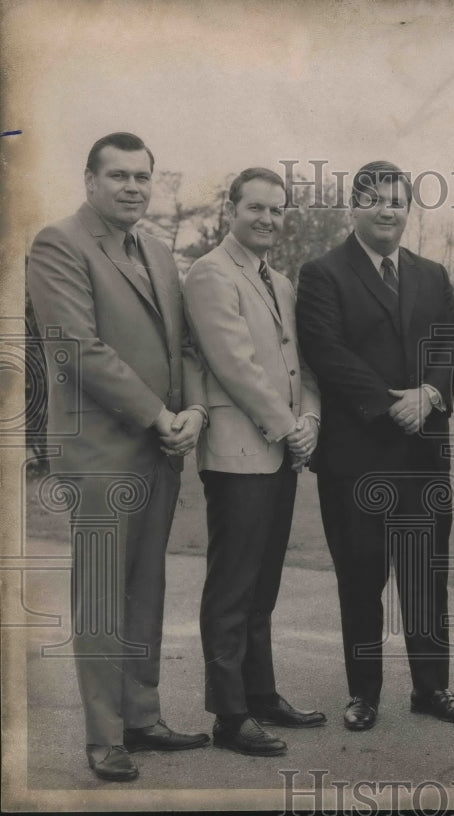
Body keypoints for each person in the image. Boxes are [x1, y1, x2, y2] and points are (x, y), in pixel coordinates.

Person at [26, 132, 209, 781]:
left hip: (160, 448)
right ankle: (104, 739)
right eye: (119, 175)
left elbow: (180, 343)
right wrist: (159, 414)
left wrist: (190, 412)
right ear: (90, 179)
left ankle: (142, 716)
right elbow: (78, 348)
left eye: (142, 176)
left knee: (146, 589)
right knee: (102, 599)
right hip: (101, 456)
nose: (133, 187)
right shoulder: (58, 245)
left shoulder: (158, 251)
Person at [296, 160, 454, 731]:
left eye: (396, 200)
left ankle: (432, 689)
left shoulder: (433, 275)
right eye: (374, 199)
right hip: (356, 457)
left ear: (407, 207)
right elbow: (326, 351)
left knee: (427, 577)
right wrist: (389, 401)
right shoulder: (322, 273)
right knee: (361, 576)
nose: (387, 210)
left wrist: (428, 393)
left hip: (423, 454)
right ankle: (364, 694)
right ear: (354, 207)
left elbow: (453, 346)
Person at [182, 167, 325, 757]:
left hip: (281, 450)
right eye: (255, 209)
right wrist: (291, 427)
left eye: (276, 210)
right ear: (231, 211)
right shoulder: (211, 274)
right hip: (240, 454)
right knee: (233, 587)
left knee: (264, 585)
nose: (267, 219)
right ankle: (229, 713)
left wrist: (311, 418)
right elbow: (235, 364)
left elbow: (302, 364)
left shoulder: (282, 282)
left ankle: (261, 696)